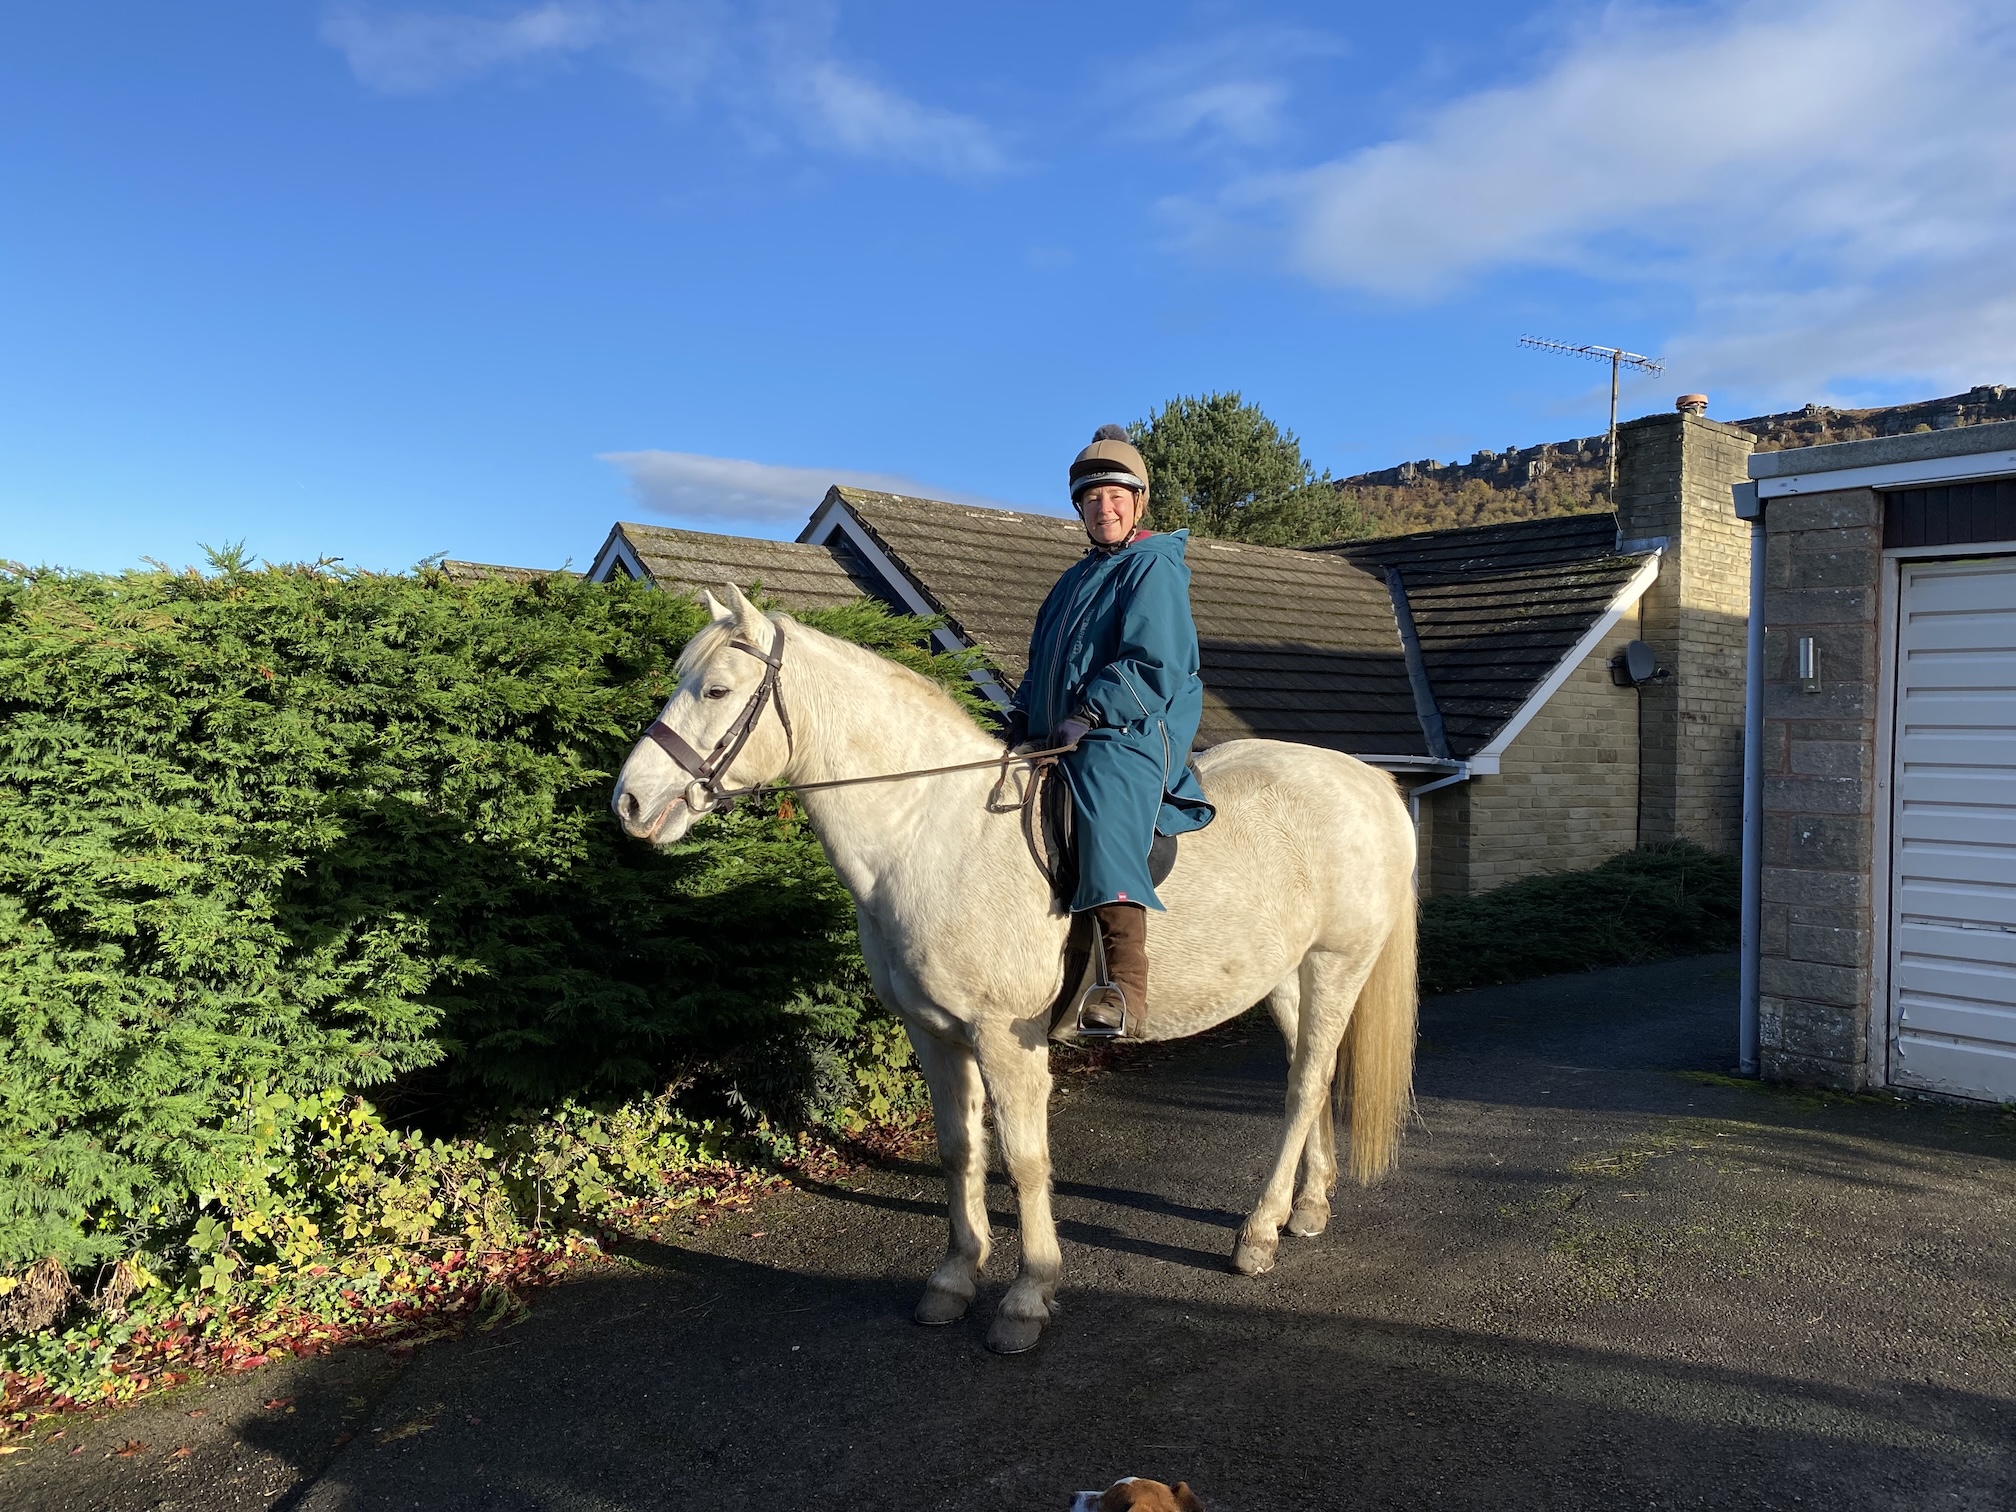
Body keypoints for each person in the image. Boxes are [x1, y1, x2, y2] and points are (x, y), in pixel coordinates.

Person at [1005, 425, 1215, 1033]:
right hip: (1061, 729)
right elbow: (1042, 665)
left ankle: (1124, 987)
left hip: (1133, 728)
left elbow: (1157, 662)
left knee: (1101, 790)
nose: (1104, 507)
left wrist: (1091, 712)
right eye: (1091, 498)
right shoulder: (1071, 581)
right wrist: (1021, 717)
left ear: (1139, 500)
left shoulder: (1153, 567)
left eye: (1116, 495)